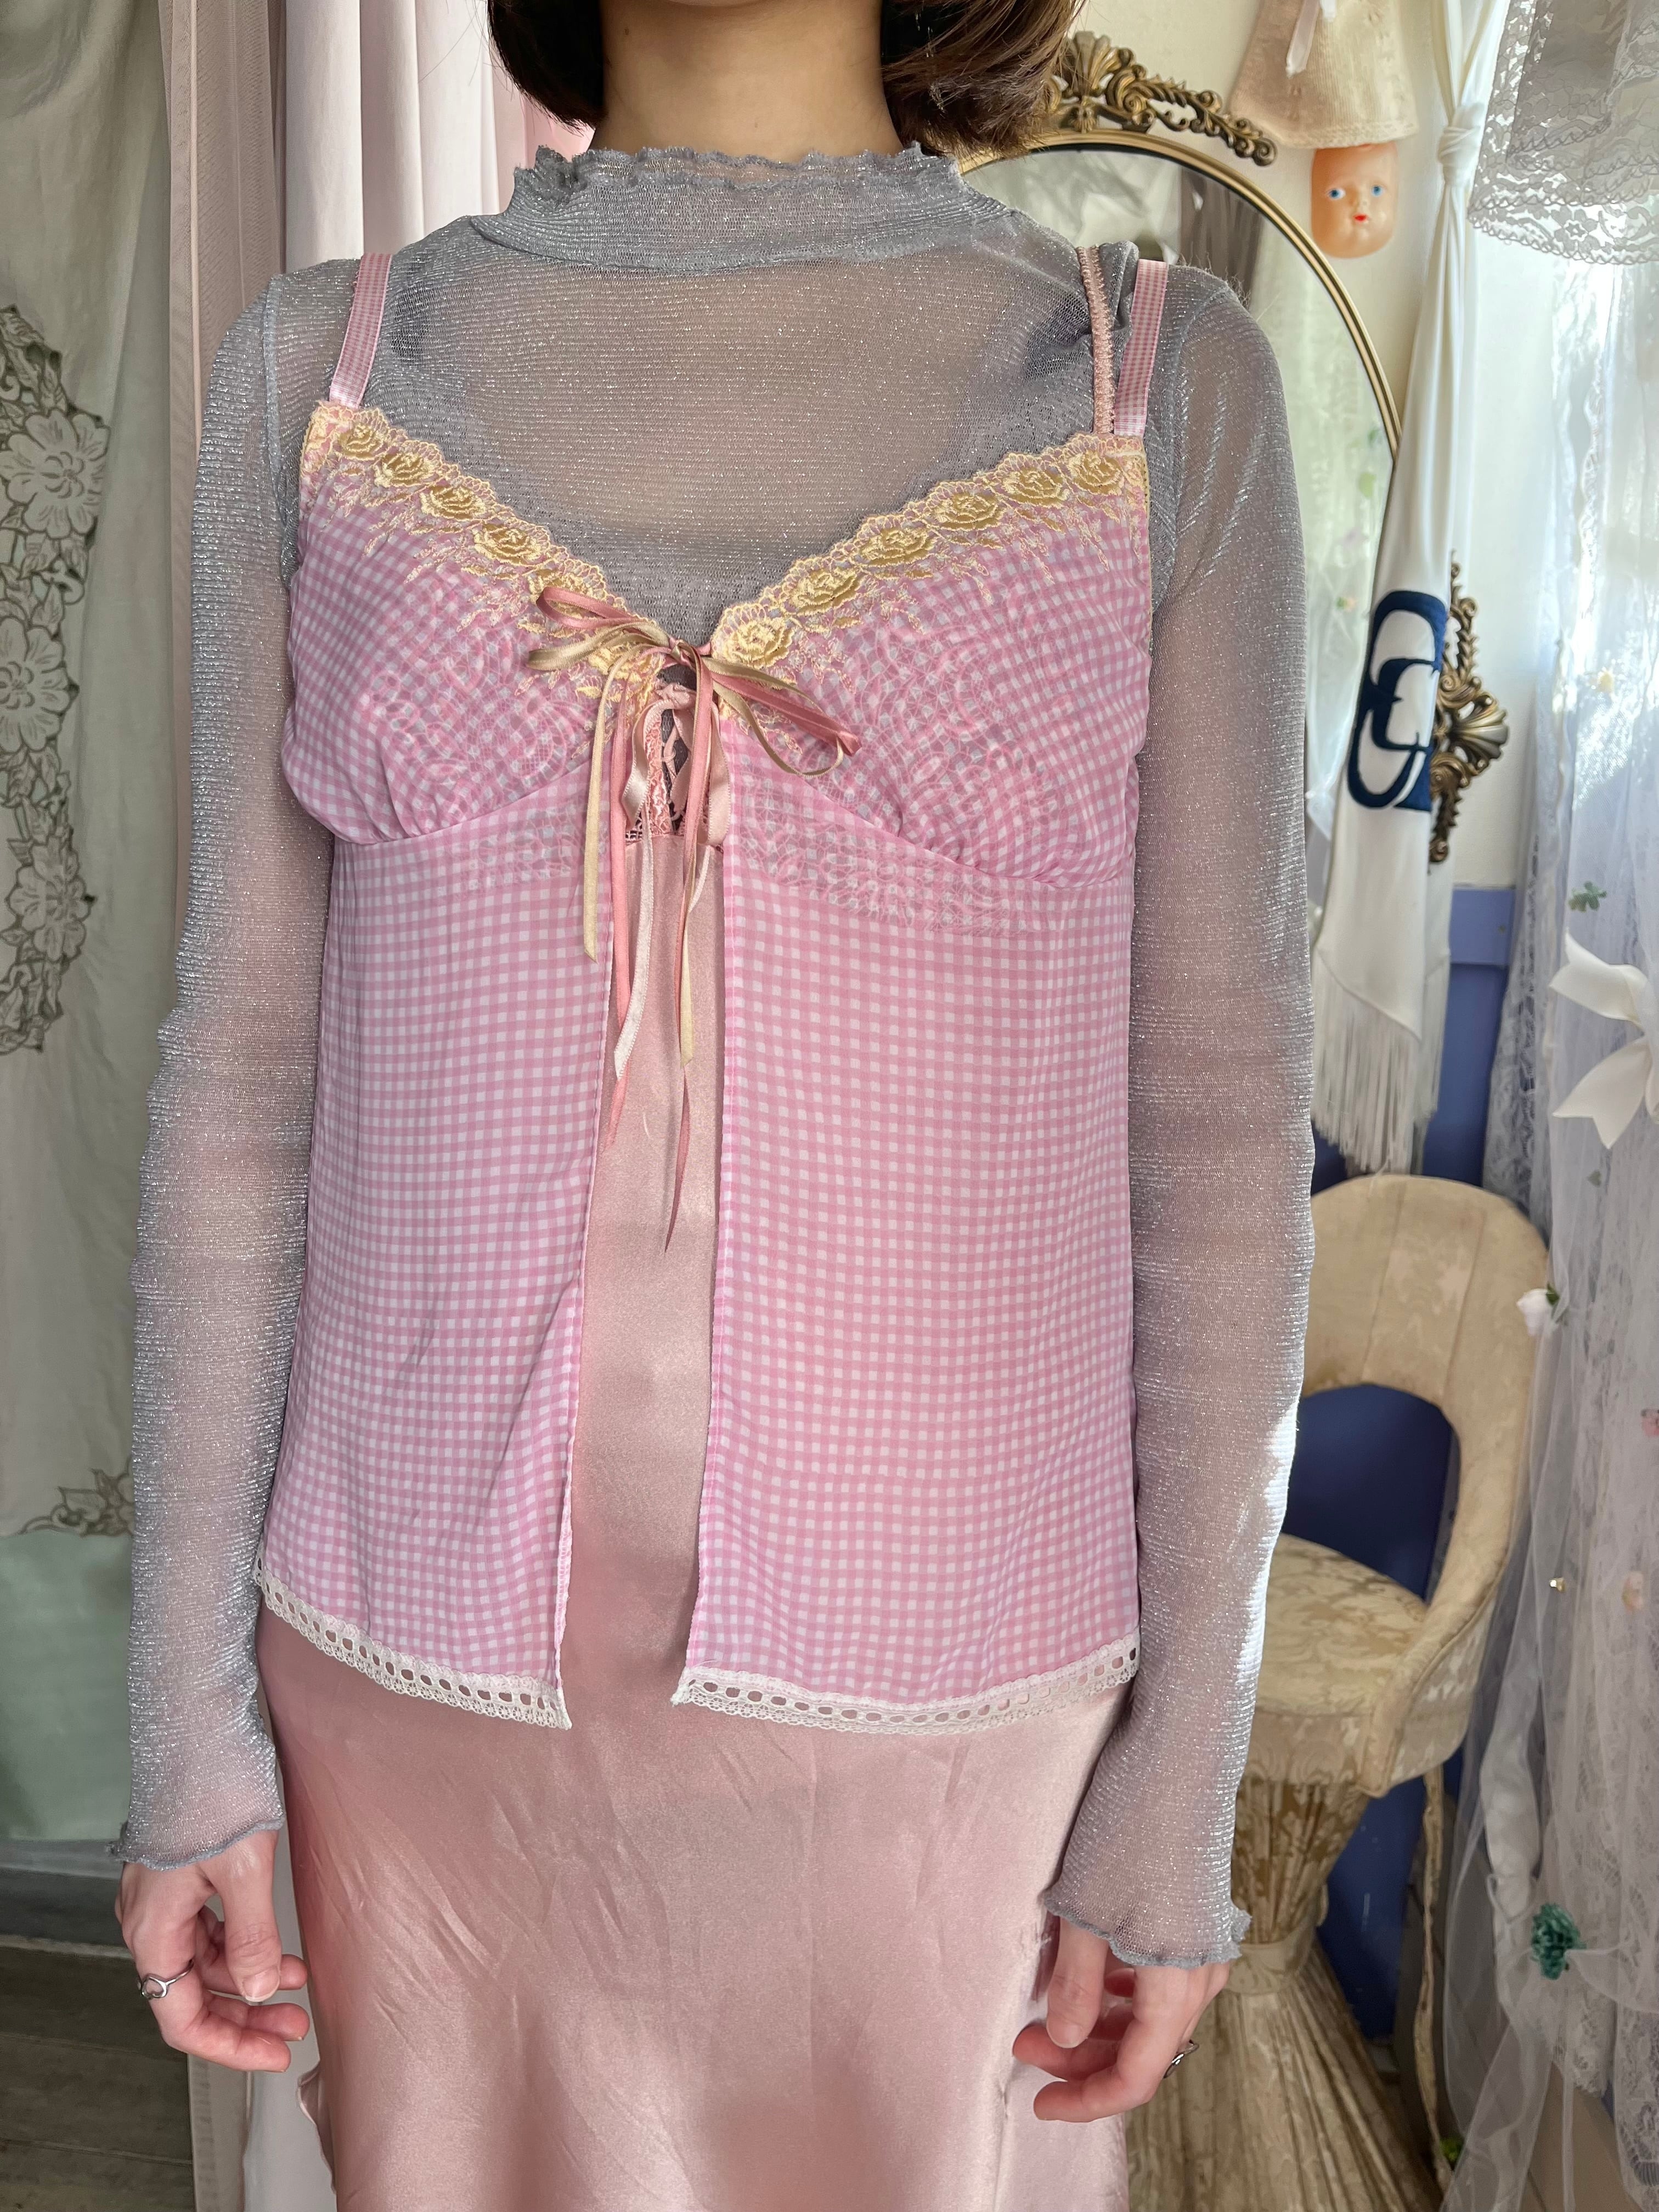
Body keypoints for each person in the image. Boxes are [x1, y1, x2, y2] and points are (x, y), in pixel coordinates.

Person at [115, 1, 1313, 2204]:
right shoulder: (319, 374)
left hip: (958, 1708)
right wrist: (183, 1726)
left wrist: (1180, 1789)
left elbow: (1220, 1131)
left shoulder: (1156, 386)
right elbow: (242, 1087)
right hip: (411, 1683)